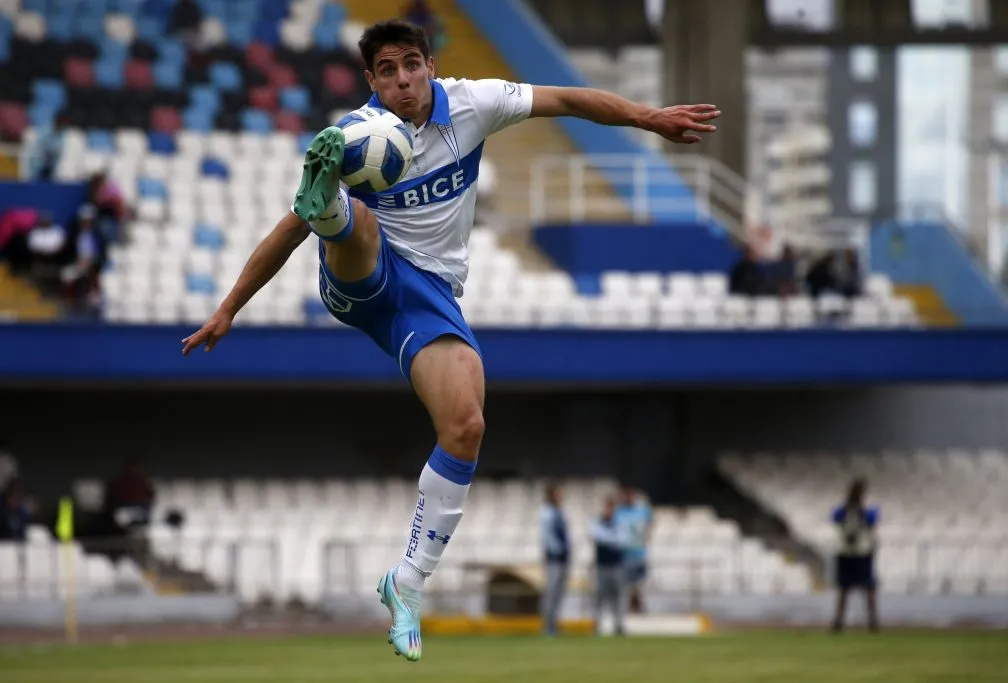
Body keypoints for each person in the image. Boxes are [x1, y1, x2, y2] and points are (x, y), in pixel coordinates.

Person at [181, 19, 720, 661]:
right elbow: (284, 232)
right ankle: (326, 203)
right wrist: (229, 309)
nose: (402, 80)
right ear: (371, 80)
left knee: (466, 425)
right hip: (362, 281)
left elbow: (568, 99)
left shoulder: (473, 104)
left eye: (411, 64)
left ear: (430, 65)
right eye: (387, 71)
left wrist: (646, 117)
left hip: (430, 296)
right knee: (355, 224)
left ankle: (407, 583)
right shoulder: (357, 136)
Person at [831, 478, 880, 633]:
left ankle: (872, 620)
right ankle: (839, 621)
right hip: (846, 552)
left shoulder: (867, 509)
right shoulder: (844, 509)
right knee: (844, 588)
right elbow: (835, 517)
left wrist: (861, 509)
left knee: (868, 588)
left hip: (862, 552)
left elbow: (872, 520)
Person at [591, 496, 627, 636]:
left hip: (616, 564)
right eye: (607, 507)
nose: (609, 510)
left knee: (618, 595)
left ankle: (618, 625)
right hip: (602, 565)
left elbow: (622, 540)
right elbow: (598, 537)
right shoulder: (597, 522)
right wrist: (611, 539)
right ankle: (597, 625)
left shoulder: (619, 522)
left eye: (611, 507)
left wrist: (608, 539)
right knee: (600, 595)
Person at [615, 485, 652, 613]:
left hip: (639, 553)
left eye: (631, 494)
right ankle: (628, 607)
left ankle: (639, 605)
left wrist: (644, 537)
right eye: (627, 494)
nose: (629, 497)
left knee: (639, 584)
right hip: (624, 555)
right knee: (626, 584)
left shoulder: (642, 510)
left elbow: (649, 525)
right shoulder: (618, 512)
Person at [539, 482, 570, 636]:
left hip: (563, 557)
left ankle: (554, 624)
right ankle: (548, 625)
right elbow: (547, 536)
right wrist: (558, 550)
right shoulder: (546, 512)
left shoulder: (561, 512)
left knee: (559, 592)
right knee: (551, 591)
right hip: (553, 558)